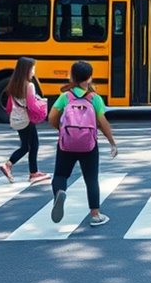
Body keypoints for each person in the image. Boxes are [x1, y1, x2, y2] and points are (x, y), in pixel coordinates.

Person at [49, 61, 118, 226]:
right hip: (89, 145)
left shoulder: (65, 97)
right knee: (91, 178)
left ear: (72, 76)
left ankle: (59, 192)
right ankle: (95, 215)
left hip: (66, 142)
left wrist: (62, 130)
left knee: (60, 175)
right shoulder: (95, 98)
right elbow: (102, 123)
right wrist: (112, 143)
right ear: (90, 77)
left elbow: (51, 117)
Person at [0, 57, 51, 184]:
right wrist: (43, 106)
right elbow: (32, 105)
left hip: (16, 118)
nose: (34, 71)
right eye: (33, 68)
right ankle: (27, 171)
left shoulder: (13, 84)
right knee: (33, 146)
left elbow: (9, 105)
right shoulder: (29, 85)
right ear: (27, 70)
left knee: (26, 146)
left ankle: (24, 169)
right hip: (26, 119)